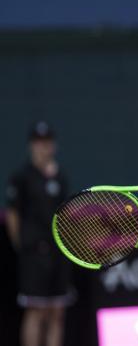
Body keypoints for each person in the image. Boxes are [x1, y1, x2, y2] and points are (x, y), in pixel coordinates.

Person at [5, 121, 74, 346]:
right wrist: (24, 246)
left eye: (47, 143)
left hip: (59, 254)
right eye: (39, 143)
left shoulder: (60, 177)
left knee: (56, 312)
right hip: (34, 255)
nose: (44, 148)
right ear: (32, 146)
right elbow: (13, 215)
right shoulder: (21, 177)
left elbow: (66, 213)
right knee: (36, 311)